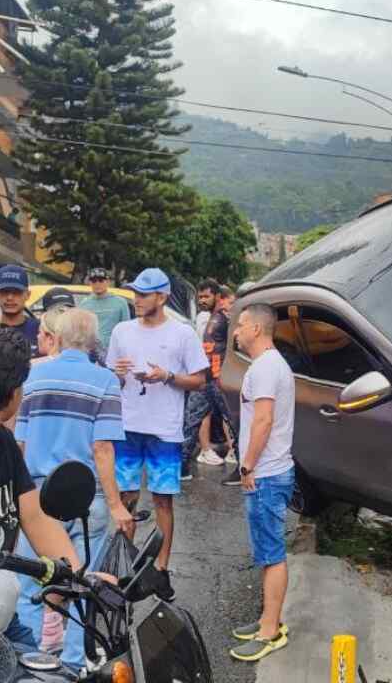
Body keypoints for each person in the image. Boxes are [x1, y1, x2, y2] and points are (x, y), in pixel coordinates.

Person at [13, 309, 132, 667]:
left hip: (35, 495)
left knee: (30, 582)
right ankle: (75, 663)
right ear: (94, 342)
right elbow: (103, 448)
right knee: (82, 582)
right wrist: (116, 504)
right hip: (86, 498)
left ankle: (30, 661)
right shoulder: (106, 380)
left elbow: (19, 439)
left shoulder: (32, 374)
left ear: (57, 337)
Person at [105, 268, 208, 602]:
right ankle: (128, 567)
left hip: (165, 429)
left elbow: (199, 381)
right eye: (135, 293)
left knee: (163, 499)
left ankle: (161, 570)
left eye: (143, 294)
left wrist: (166, 376)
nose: (136, 299)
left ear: (161, 298)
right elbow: (113, 381)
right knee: (127, 499)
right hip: (127, 426)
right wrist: (118, 376)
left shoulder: (183, 334)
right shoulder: (122, 331)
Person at [0, 328, 82, 650]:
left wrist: (78, 574)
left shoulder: (4, 443)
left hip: (6, 612)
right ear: (17, 391)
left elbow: (34, 515)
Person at [228, 304, 295, 662]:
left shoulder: (267, 368)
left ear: (255, 328)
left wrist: (247, 464)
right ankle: (268, 619)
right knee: (268, 553)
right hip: (270, 471)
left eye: (240, 325)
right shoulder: (270, 365)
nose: (236, 332)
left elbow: (264, 421)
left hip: (266, 473)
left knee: (272, 554)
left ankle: (271, 632)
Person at [184, 279, 238, 473]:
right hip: (206, 379)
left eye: (206, 296)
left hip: (219, 380)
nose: (202, 300)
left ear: (217, 296)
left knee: (232, 423)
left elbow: (235, 346)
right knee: (191, 421)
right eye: (200, 297)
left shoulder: (224, 318)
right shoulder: (208, 317)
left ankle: (243, 469)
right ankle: (182, 465)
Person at [78, 268, 130, 356]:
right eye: (94, 281)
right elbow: (80, 330)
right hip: (89, 352)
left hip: (112, 352)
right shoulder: (84, 304)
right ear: (90, 283)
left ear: (108, 282)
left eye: (101, 280)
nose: (97, 284)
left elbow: (126, 331)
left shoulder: (120, 303)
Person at [0, 265, 39, 357]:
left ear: (28, 295)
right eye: (4, 291)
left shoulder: (40, 331)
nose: (10, 298)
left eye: (16, 292)